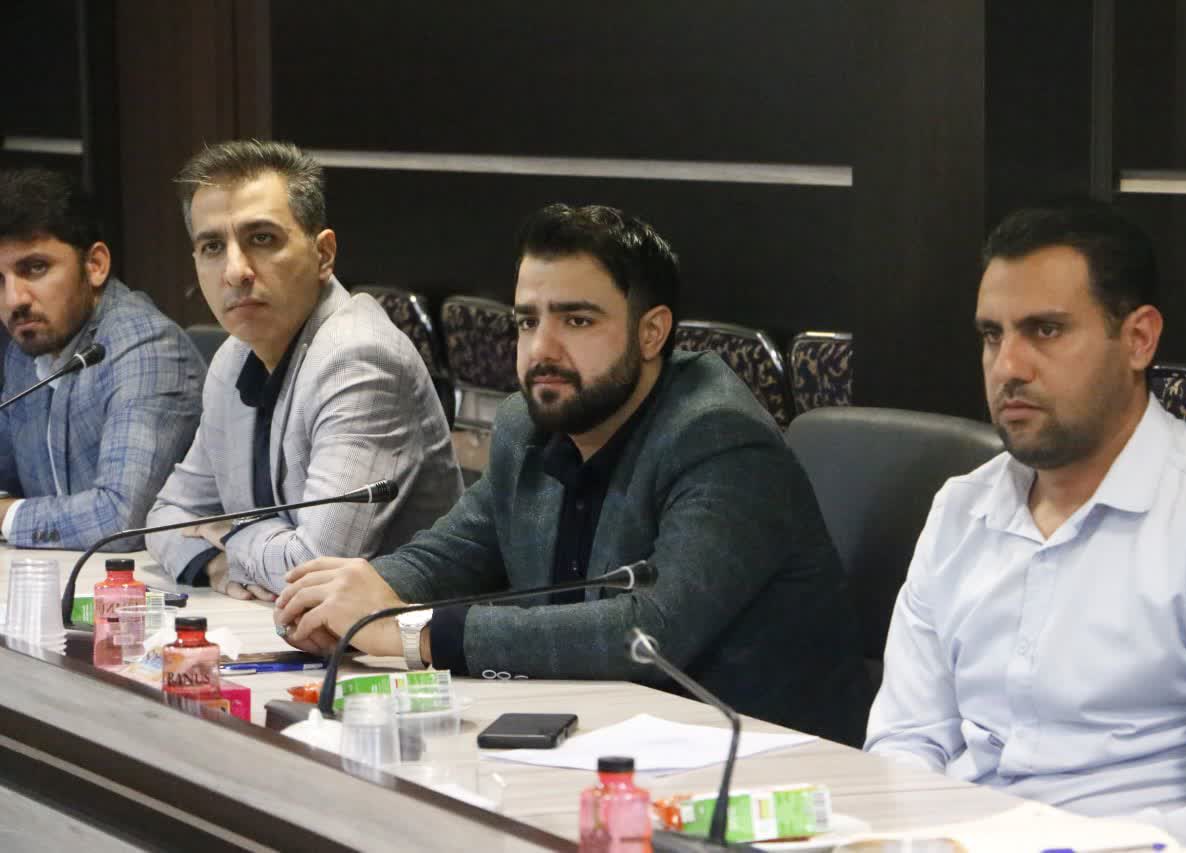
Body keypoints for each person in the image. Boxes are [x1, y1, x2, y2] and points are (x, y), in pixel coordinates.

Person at [274, 203, 869, 743]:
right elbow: (448, 556)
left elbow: (649, 632)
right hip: (595, 739)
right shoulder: (528, 425)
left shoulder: (719, 437)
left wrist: (414, 633)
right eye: (527, 322)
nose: (542, 350)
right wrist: (345, 602)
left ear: (652, 332)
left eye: (577, 321)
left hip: (757, 767)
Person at [865, 202, 1186, 852]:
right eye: (992, 335)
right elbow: (904, 738)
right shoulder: (959, 509)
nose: (1009, 366)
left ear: (1139, 339)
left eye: (1046, 330)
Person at [146, 140, 463, 602]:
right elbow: (166, 516)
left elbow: (316, 564)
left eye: (262, 239)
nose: (235, 271)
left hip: (397, 641)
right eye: (212, 246)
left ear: (324, 254)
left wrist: (230, 534)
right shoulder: (233, 359)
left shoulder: (360, 359)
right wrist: (215, 563)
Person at [0, 168, 204, 550]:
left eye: (35, 268)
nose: (14, 300)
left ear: (95, 265)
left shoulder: (146, 348)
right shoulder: (25, 353)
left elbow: (121, 520)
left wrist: (7, 516)